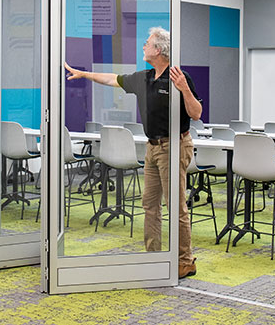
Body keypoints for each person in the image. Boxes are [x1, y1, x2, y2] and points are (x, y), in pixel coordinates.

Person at [64, 26, 202, 279]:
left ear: (158, 50)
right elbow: (112, 79)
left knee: (176, 207)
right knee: (150, 204)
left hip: (175, 146)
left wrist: (184, 88)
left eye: (147, 43)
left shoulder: (179, 77)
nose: (143, 46)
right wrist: (83, 74)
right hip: (152, 147)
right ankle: (154, 257)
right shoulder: (144, 78)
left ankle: (185, 260)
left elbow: (195, 113)